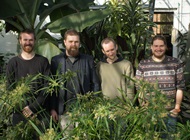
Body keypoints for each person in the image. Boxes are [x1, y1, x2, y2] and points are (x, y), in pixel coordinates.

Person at [50, 29, 100, 132]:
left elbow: (95, 84)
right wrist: (53, 108)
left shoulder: (88, 60)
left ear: (79, 43)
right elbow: (53, 87)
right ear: (65, 42)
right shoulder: (56, 61)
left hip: (84, 110)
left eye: (76, 42)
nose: (73, 44)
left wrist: (93, 105)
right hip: (63, 111)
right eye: (70, 41)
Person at [135, 35, 185, 137]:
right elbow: (139, 88)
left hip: (170, 112)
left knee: (170, 137)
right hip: (150, 112)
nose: (158, 49)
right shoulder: (143, 65)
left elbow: (180, 87)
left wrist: (177, 108)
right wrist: (143, 107)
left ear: (166, 47)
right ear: (151, 47)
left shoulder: (175, 63)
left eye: (161, 46)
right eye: (156, 46)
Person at [6, 28, 50, 126]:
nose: (28, 43)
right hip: (19, 112)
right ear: (20, 41)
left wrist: (33, 108)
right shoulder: (13, 63)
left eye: (30, 40)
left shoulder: (43, 61)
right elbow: (9, 88)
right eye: (25, 40)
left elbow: (46, 88)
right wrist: (24, 109)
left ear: (35, 41)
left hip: (40, 112)